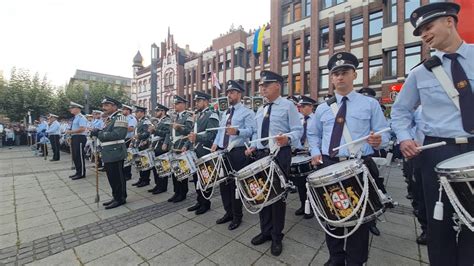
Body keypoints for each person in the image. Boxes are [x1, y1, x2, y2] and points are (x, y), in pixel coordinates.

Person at [391, 3, 474, 265]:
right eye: (420, 32)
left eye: (428, 27)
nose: (424, 35)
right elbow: (400, 112)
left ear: (449, 21)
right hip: (437, 152)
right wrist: (405, 138)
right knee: (440, 224)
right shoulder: (419, 73)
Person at [307, 52, 390, 266]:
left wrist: (378, 141)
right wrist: (315, 151)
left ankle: (355, 260)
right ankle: (336, 257)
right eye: (336, 74)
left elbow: (385, 133)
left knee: (359, 217)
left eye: (344, 72)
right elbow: (313, 134)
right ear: (331, 78)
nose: (340, 77)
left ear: (354, 74)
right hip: (330, 164)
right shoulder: (322, 108)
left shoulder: (369, 104)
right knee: (331, 213)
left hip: (359, 166)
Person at [245, 70, 303, 256]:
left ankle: (277, 235)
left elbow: (298, 131)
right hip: (262, 155)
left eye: (266, 85)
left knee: (277, 197)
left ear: (277, 85)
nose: (262, 89)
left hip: (280, 155)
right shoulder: (261, 109)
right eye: (261, 86)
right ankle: (265, 231)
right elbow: (257, 133)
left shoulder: (288, 106)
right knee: (262, 194)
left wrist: (287, 138)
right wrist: (253, 146)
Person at [211, 80, 256, 230]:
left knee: (235, 185)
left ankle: (237, 216)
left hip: (237, 151)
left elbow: (251, 131)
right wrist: (216, 143)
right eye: (228, 93)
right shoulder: (226, 112)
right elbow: (220, 131)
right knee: (224, 184)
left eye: (231, 92)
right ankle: (228, 212)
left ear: (239, 94)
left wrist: (237, 132)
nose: (229, 95)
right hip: (223, 151)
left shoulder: (247, 112)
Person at [91, 96, 128, 209]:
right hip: (108, 152)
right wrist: (96, 132)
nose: (104, 108)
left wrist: (99, 134)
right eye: (103, 105)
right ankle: (116, 196)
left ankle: (120, 198)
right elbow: (107, 133)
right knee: (112, 177)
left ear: (114, 106)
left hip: (115, 152)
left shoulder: (120, 117)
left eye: (107, 105)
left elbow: (118, 135)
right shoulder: (110, 119)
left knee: (117, 177)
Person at [187, 91, 220, 215]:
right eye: (196, 101)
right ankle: (199, 201)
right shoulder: (199, 115)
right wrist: (187, 144)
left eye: (198, 101)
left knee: (205, 178)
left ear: (206, 102)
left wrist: (198, 139)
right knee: (197, 179)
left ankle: (206, 203)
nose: (196, 103)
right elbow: (193, 133)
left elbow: (213, 134)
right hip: (196, 151)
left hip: (205, 151)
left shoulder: (212, 115)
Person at [292, 95, 316, 219]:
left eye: (303, 106)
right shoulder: (299, 120)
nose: (301, 109)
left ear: (311, 106)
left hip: (312, 154)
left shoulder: (317, 119)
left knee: (312, 183)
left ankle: (313, 207)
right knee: (301, 183)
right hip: (299, 154)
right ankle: (303, 205)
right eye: (300, 106)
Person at [167, 95, 193, 203]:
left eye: (177, 104)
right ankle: (176, 192)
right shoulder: (175, 117)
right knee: (175, 170)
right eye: (175, 104)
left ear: (183, 104)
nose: (175, 106)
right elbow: (170, 133)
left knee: (182, 170)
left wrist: (179, 128)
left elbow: (189, 131)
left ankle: (183, 193)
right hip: (174, 146)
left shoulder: (188, 116)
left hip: (181, 145)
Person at [148, 103, 171, 194]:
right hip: (156, 146)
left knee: (162, 167)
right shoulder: (159, 121)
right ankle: (157, 185)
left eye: (157, 110)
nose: (156, 112)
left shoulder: (167, 120)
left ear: (163, 111)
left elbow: (167, 133)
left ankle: (162, 187)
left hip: (161, 146)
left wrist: (155, 131)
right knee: (156, 168)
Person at [131, 106, 152, 188]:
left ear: (142, 113)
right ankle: (141, 178)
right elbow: (136, 133)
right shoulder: (140, 121)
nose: (136, 113)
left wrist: (139, 137)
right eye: (136, 112)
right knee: (139, 162)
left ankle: (146, 180)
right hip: (138, 144)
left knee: (144, 163)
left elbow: (147, 133)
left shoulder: (146, 121)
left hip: (144, 145)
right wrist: (133, 141)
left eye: (137, 112)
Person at [66, 102, 88, 180]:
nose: (70, 110)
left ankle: (81, 173)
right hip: (75, 137)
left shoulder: (81, 117)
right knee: (75, 156)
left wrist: (71, 132)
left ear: (77, 109)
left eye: (72, 108)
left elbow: (82, 129)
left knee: (79, 156)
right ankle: (78, 172)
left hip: (80, 138)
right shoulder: (75, 118)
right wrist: (70, 135)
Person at [121, 104, 137, 181]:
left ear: (128, 110)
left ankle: (128, 174)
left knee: (127, 158)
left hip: (128, 139)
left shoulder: (131, 118)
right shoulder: (123, 118)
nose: (122, 110)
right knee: (123, 157)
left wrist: (120, 127)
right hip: (122, 139)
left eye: (124, 109)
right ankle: (123, 173)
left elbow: (131, 129)